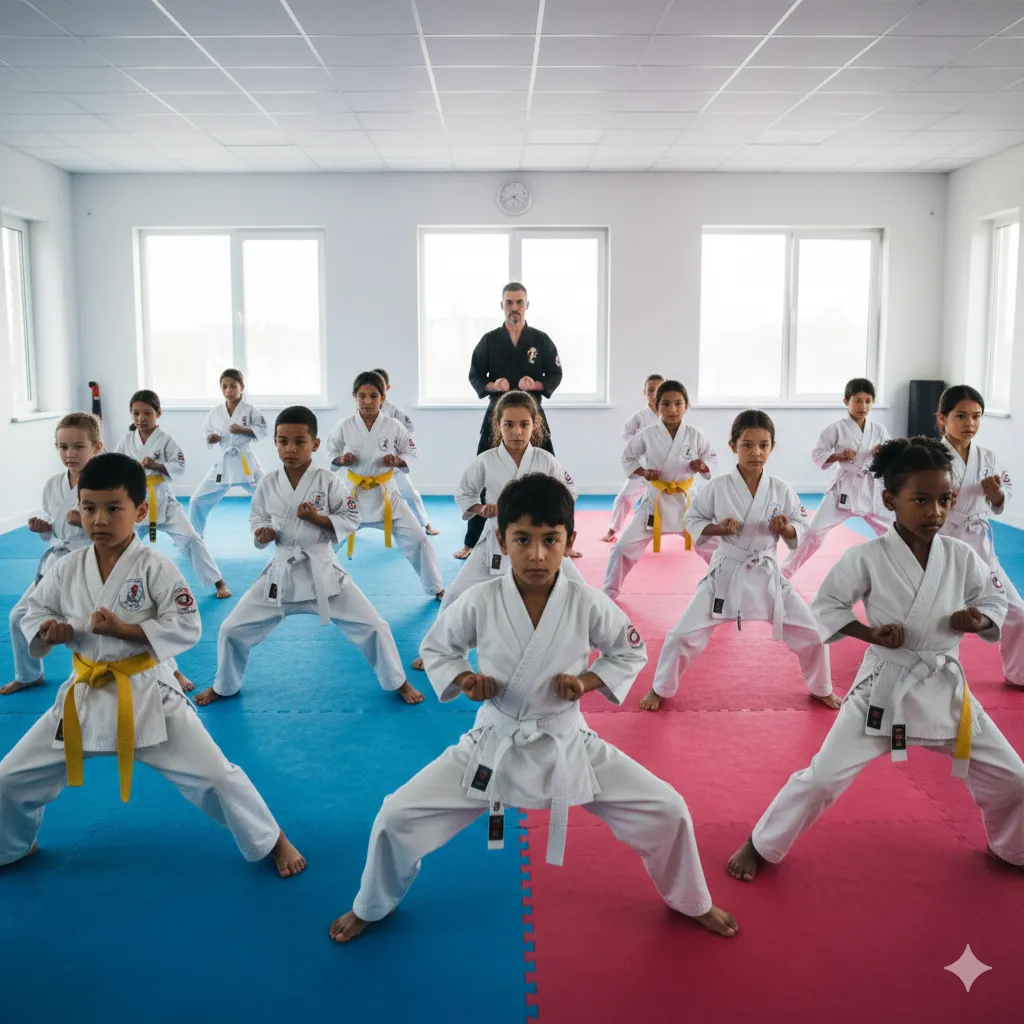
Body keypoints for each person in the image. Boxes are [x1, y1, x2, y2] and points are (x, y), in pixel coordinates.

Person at [328, 474, 738, 944]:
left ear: (569, 541)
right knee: (395, 816)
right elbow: (439, 649)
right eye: (522, 539)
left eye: (550, 540)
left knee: (668, 809)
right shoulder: (480, 600)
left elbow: (629, 652)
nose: (537, 554)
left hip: (567, 741)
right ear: (501, 540)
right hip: (492, 743)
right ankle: (372, 904)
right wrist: (466, 679)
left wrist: (585, 681)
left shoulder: (587, 602)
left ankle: (692, 900)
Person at [728, 437, 1024, 883]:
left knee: (1014, 778)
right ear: (889, 500)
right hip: (885, 689)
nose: (936, 512)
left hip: (947, 688)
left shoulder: (961, 555)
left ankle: (1010, 847)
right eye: (921, 500)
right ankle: (762, 842)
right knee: (824, 778)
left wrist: (978, 618)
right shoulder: (865, 556)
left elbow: (992, 601)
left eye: (945, 500)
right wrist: (869, 634)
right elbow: (827, 606)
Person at [0, 452, 305, 877]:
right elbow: (34, 609)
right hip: (82, 696)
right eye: (88, 508)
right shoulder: (67, 567)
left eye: (112, 508)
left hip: (147, 696)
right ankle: (15, 845)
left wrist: (126, 630)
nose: (99, 520)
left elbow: (186, 624)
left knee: (216, 778)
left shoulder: (155, 567)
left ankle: (273, 839)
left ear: (141, 511)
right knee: (9, 779)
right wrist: (51, 629)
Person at [194, 406, 422, 707]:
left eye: (299, 441)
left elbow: (350, 517)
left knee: (375, 626)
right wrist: (262, 534)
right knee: (231, 628)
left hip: (323, 573)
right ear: (274, 443)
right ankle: (224, 685)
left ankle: (398, 681)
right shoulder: (267, 483)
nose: (290, 448)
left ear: (314, 444)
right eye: (283, 441)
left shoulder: (328, 480)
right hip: (281, 573)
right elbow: (257, 519)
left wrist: (319, 520)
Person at [638, 411, 838, 712]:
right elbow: (692, 518)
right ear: (733, 446)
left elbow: (801, 525)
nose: (755, 452)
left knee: (813, 634)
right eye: (747, 445)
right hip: (726, 575)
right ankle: (660, 687)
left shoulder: (781, 489)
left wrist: (785, 529)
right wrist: (719, 529)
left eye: (763, 445)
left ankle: (821, 687)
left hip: (768, 576)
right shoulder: (717, 487)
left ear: (771, 447)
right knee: (680, 635)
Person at [454, 282, 563, 561]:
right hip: (497, 416)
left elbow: (556, 373)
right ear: (502, 305)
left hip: (531, 417)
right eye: (509, 302)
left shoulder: (540, 340)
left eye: (519, 302)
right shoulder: (490, 340)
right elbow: (474, 375)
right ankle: (473, 540)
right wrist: (492, 385)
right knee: (482, 473)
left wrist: (537, 383)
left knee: (551, 476)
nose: (514, 307)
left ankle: (559, 537)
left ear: (527, 305)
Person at [3, 413, 102, 696]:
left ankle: (167, 671)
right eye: (63, 447)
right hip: (57, 564)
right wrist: (44, 527)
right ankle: (28, 673)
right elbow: (53, 527)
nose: (69, 454)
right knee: (18, 616)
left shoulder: (104, 484)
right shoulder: (53, 485)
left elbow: (122, 530)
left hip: (92, 566)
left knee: (116, 622)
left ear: (96, 446)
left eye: (78, 447)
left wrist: (84, 521)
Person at [325, 372, 444, 600]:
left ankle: (435, 587)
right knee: (325, 541)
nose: (367, 401)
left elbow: (410, 451)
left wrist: (398, 461)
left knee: (420, 540)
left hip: (388, 495)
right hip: (353, 499)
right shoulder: (345, 426)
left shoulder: (393, 426)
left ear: (383, 397)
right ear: (354, 397)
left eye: (373, 396)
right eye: (362, 396)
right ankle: (312, 584)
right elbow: (331, 450)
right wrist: (341, 460)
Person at [937, 385, 1024, 687]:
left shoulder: (988, 457)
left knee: (1018, 613)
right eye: (960, 416)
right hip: (941, 547)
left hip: (980, 547)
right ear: (942, 419)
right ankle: (933, 681)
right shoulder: (930, 457)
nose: (969, 423)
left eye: (976, 416)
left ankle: (1019, 674)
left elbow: (1005, 496)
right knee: (937, 622)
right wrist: (944, 500)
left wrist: (996, 495)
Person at [602, 380, 716, 599]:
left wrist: (702, 465)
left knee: (718, 549)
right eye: (666, 404)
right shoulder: (647, 434)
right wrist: (644, 472)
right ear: (656, 406)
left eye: (678, 403)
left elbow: (711, 456)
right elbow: (628, 457)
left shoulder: (694, 435)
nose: (672, 409)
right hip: (655, 503)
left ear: (686, 405)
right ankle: (609, 592)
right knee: (622, 548)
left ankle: (727, 590)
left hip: (687, 505)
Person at [114, 389, 230, 599]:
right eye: (136, 413)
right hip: (136, 502)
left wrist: (156, 465)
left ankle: (218, 582)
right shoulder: (126, 441)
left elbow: (180, 465)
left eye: (147, 413)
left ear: (158, 413)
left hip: (162, 500)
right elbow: (117, 466)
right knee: (121, 543)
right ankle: (111, 585)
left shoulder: (166, 440)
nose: (141, 419)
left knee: (192, 539)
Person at [782, 378, 892, 579]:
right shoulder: (836, 429)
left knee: (893, 533)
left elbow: (891, 456)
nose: (863, 406)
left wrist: (881, 452)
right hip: (843, 488)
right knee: (813, 532)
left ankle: (906, 574)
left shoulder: (878, 430)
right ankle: (783, 573)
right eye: (857, 400)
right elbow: (818, 453)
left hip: (870, 488)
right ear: (846, 401)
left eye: (868, 401)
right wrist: (838, 456)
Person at [188, 368, 268, 538]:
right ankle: (195, 536)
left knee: (270, 495)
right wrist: (211, 438)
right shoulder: (215, 412)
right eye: (224, 387)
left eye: (233, 386)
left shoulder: (250, 410)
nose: (228, 391)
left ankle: (281, 532)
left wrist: (243, 429)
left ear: (242, 387)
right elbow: (206, 431)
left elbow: (263, 430)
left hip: (246, 464)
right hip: (223, 467)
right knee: (197, 500)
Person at [371, 367, 439, 536]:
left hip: (391, 461)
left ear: (387, 388)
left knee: (409, 492)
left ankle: (426, 524)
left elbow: (409, 429)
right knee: (355, 494)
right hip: (369, 463)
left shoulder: (393, 411)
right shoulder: (361, 409)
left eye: (381, 386)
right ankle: (344, 527)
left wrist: (398, 452)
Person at [601, 373, 663, 543]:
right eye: (651, 390)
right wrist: (638, 444)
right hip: (643, 468)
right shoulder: (640, 416)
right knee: (625, 497)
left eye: (659, 390)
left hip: (663, 470)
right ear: (645, 393)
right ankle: (613, 529)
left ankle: (650, 532)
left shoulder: (670, 415)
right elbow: (626, 434)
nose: (655, 393)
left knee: (656, 502)